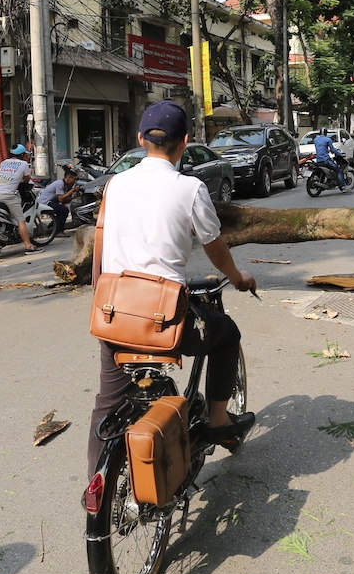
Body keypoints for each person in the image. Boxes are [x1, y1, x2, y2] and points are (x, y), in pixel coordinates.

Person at [86, 101, 257, 473]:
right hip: (165, 319)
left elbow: (102, 246)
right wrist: (240, 278)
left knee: (107, 402)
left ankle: (95, 487)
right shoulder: (190, 189)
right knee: (226, 334)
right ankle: (217, 420)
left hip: (114, 314)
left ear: (140, 139)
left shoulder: (115, 184)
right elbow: (215, 248)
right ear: (185, 142)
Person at [0, 143, 37, 253]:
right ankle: (28, 245)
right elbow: (26, 180)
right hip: (8, 195)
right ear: (21, 155)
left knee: (0, 218)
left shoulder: (3, 163)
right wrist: (29, 173)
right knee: (21, 220)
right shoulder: (23, 164)